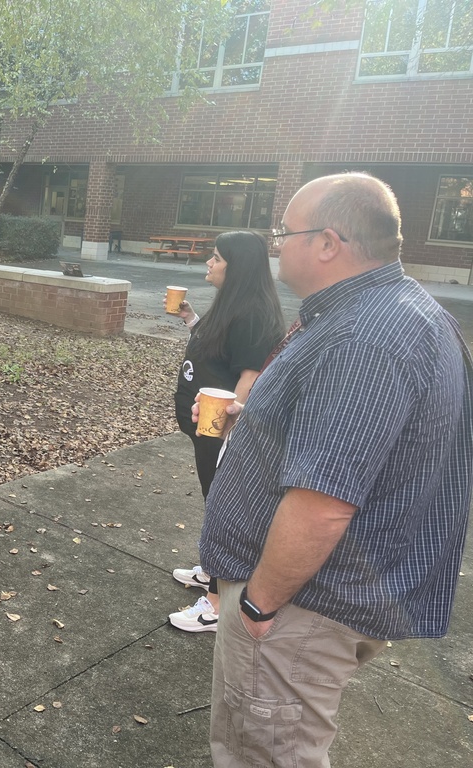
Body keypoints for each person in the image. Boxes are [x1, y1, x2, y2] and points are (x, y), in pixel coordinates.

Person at [198, 172, 472, 767]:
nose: (275, 244)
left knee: (266, 752)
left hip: (303, 601)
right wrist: (258, 415)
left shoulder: (362, 338)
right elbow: (369, 440)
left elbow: (324, 502)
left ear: (327, 242)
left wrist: (258, 606)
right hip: (340, 588)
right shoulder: (399, 310)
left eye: (283, 231)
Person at [167, 231, 283, 634]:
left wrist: (226, 433)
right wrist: (191, 320)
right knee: (211, 499)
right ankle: (212, 570)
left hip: (219, 430)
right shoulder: (233, 304)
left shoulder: (253, 312)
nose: (209, 264)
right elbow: (220, 350)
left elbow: (250, 378)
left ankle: (216, 603)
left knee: (221, 506)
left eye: (215, 258)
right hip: (204, 427)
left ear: (238, 267)